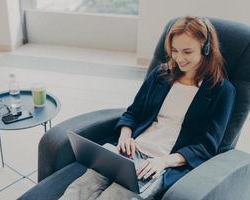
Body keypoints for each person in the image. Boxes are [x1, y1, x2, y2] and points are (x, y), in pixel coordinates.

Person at [59, 16, 236, 200]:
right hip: (130, 150)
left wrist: (163, 162)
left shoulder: (222, 91)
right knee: (80, 188)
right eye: (174, 50)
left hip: (160, 162)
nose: (179, 58)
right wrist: (125, 136)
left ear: (206, 49)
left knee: (115, 196)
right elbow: (133, 112)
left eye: (187, 51)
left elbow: (205, 147)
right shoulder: (161, 74)